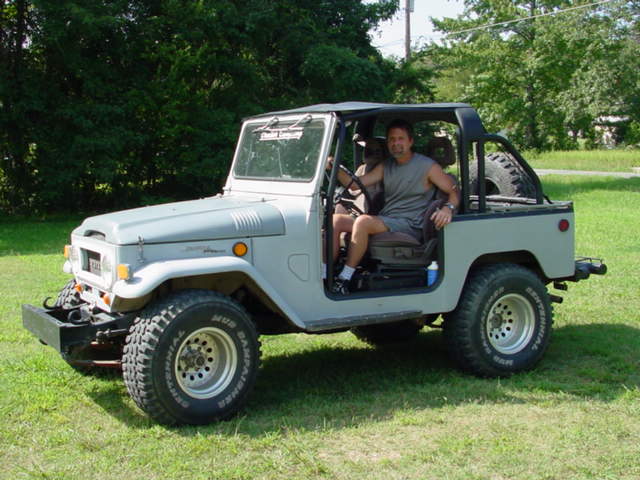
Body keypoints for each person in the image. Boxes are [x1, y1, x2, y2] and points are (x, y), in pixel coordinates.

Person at [327, 119, 460, 294]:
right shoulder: (386, 165)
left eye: (400, 139)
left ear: (410, 141)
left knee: (363, 222)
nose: (396, 143)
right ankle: (324, 275)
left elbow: (454, 191)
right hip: (388, 219)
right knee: (335, 221)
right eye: (391, 139)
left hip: (410, 225)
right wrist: (334, 168)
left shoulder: (428, 166)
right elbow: (355, 186)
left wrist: (448, 208)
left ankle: (343, 279)